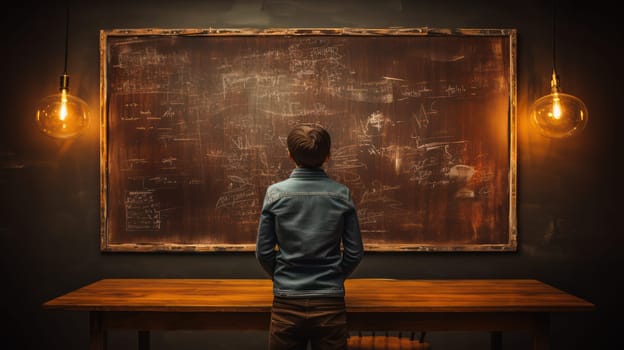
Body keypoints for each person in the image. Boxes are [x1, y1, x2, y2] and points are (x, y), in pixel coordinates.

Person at [256, 123, 364, 350]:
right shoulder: (341, 194)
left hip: (286, 301)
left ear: (289, 155)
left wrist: (283, 277)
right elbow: (354, 253)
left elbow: (264, 253)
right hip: (330, 303)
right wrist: (333, 277)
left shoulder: (275, 194)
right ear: (328, 156)